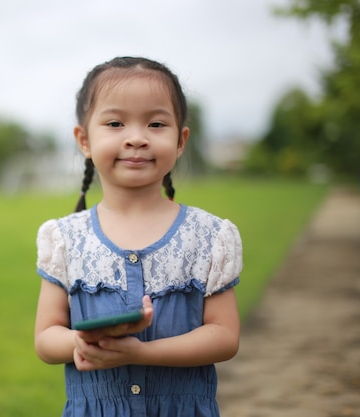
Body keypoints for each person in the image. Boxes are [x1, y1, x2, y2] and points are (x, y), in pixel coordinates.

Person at [34, 56, 243, 417]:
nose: (136, 138)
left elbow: (225, 336)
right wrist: (82, 343)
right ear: (84, 139)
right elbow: (46, 337)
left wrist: (141, 353)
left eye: (156, 123)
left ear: (180, 140)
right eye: (115, 123)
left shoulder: (209, 236)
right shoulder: (65, 238)